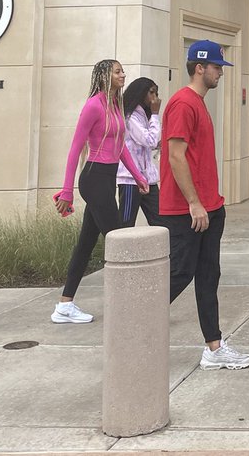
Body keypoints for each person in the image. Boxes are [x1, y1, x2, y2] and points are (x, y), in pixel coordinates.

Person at [158, 40, 249, 370]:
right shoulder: (183, 104)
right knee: (179, 274)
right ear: (200, 67)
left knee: (208, 276)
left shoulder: (197, 103)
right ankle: (131, 327)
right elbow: (174, 156)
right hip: (188, 210)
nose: (220, 73)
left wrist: (209, 204)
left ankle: (214, 347)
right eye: (216, 67)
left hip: (209, 206)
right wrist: (195, 203)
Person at [51, 59, 149, 323]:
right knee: (118, 240)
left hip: (108, 178)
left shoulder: (115, 105)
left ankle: (64, 305)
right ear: (105, 75)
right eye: (117, 72)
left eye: (122, 71)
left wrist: (139, 176)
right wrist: (67, 191)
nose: (123, 75)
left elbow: (121, 147)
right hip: (93, 179)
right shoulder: (93, 106)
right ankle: (130, 303)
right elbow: (75, 149)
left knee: (86, 244)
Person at [118, 77, 162, 227]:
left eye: (156, 93)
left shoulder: (142, 115)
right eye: (151, 93)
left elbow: (147, 143)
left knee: (162, 221)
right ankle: (121, 251)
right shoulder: (130, 116)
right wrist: (155, 115)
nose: (155, 98)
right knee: (126, 224)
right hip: (130, 179)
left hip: (147, 178)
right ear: (141, 93)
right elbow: (149, 140)